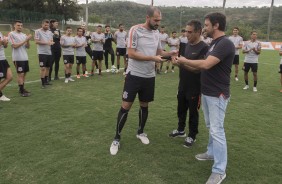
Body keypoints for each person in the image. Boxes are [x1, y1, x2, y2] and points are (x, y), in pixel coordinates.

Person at [172, 12, 235, 184]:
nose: (204, 28)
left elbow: (206, 64)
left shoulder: (225, 43)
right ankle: (211, 152)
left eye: (207, 25)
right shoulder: (214, 43)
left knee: (217, 129)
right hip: (207, 92)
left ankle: (219, 170)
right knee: (210, 126)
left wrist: (184, 60)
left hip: (217, 94)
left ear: (216, 26)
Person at [109, 7, 177, 156]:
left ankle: (140, 132)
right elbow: (131, 53)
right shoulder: (135, 30)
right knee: (125, 106)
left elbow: (159, 53)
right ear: (148, 17)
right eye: (156, 20)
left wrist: (169, 54)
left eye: (160, 20)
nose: (158, 23)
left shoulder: (157, 33)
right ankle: (116, 138)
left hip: (149, 76)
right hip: (134, 75)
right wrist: (152, 58)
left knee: (144, 105)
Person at [169, 20, 209, 148]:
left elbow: (198, 69)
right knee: (181, 108)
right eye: (186, 31)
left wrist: (181, 63)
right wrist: (176, 62)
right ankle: (181, 130)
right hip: (183, 84)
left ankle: (192, 135)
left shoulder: (204, 47)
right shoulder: (185, 45)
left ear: (198, 32)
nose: (186, 34)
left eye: (190, 32)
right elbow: (181, 62)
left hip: (195, 87)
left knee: (193, 112)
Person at [8, 20, 32, 97]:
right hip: (17, 58)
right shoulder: (11, 34)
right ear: (14, 26)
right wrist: (25, 39)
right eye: (18, 25)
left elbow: (28, 47)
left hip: (25, 57)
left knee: (24, 74)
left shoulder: (23, 35)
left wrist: (27, 40)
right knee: (20, 74)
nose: (20, 27)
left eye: (21, 25)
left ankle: (22, 88)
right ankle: (22, 91)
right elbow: (14, 46)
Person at [34, 19, 54, 88]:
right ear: (42, 24)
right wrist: (47, 43)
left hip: (49, 52)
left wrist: (51, 42)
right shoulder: (37, 31)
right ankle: (42, 83)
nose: (46, 26)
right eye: (45, 25)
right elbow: (36, 41)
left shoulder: (50, 32)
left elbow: (51, 40)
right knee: (43, 68)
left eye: (47, 25)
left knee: (48, 67)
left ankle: (46, 81)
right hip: (42, 53)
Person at [0, 32, 13, 101]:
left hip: (3, 58)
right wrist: (3, 41)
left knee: (9, 77)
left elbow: (5, 46)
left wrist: (5, 42)